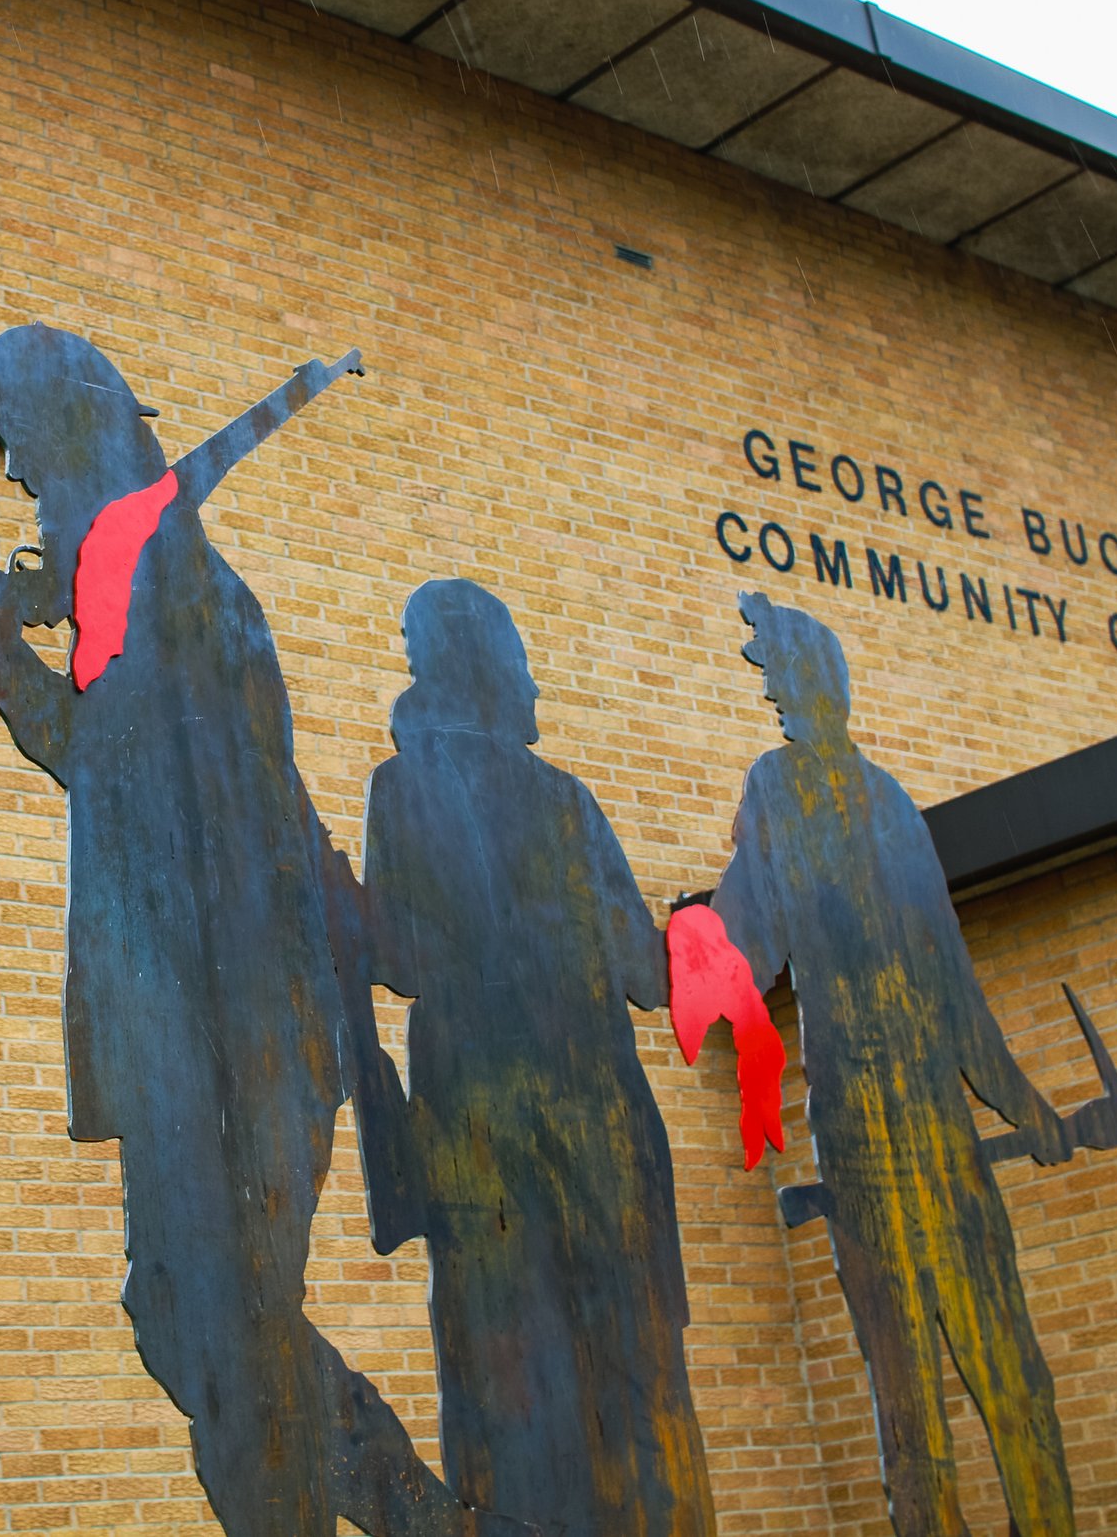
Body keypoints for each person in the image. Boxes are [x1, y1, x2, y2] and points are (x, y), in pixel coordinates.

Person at [0, 325, 516, 1537]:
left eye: (28, 454)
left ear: (84, 438)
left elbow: (130, 778)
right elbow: (127, 776)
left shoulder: (174, 586)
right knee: (197, 1317)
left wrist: (1, 656)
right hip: (199, 1027)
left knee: (217, 1325)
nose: (17, 483)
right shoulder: (135, 583)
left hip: (241, 1023)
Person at [328, 579, 714, 1537]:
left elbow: (401, 958)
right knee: (638, 1394)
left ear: (438, 666)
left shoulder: (402, 786)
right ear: (501, 667)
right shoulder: (566, 802)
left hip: (481, 1139)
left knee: (509, 1403)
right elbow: (644, 970)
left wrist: (341, 898)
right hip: (604, 1135)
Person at [708, 591, 1075, 1537]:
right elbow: (955, 991)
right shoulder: (887, 802)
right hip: (908, 1137)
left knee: (926, 1394)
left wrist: (1021, 1102)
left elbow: (747, 948)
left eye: (782, 678)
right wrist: (1023, 1105)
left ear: (817, 683)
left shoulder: (786, 788)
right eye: (770, 682)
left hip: (886, 1141)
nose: (776, 697)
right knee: (990, 1374)